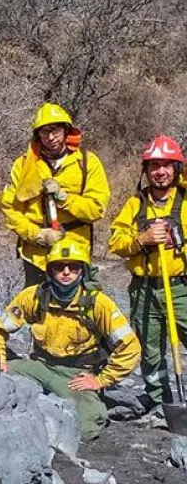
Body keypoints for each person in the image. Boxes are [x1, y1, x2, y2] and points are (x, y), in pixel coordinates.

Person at [0, 238, 140, 441]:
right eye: (59, 267)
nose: (66, 272)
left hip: (75, 376)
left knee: (86, 427)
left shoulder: (98, 303)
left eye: (73, 267)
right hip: (39, 366)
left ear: (82, 271)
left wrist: (101, 380)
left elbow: (130, 347)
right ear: (50, 271)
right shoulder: (34, 296)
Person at [109, 135, 187, 409]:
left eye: (167, 165)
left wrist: (177, 239)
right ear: (146, 170)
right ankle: (160, 404)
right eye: (154, 166)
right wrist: (141, 239)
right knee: (151, 350)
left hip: (181, 287)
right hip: (143, 288)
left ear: (177, 169)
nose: (160, 172)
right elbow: (115, 242)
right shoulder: (135, 204)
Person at [2, 103, 110, 286]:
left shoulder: (87, 162)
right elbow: (10, 210)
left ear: (66, 131)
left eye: (56, 131)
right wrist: (37, 234)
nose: (51, 138)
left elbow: (97, 209)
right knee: (37, 308)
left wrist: (65, 198)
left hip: (75, 253)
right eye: (44, 132)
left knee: (77, 309)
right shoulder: (24, 165)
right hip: (37, 256)